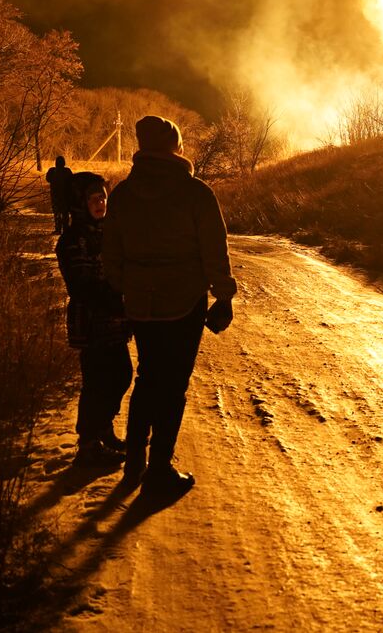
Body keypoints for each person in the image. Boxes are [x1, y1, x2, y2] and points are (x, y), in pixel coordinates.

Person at [104, 116, 237, 496]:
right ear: (174, 146)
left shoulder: (123, 194)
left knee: (147, 376)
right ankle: (159, 468)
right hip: (184, 302)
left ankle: (134, 461)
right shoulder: (195, 193)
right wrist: (223, 295)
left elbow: (110, 253)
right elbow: (214, 252)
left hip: (141, 304)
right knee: (173, 384)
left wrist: (125, 288)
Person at [56, 171, 131, 469]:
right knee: (97, 382)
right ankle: (88, 443)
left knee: (122, 374)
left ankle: (103, 429)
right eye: (93, 198)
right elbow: (79, 284)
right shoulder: (73, 240)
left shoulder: (108, 232)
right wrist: (111, 297)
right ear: (80, 203)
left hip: (115, 320)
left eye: (103, 196)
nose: (100, 203)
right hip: (91, 321)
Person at [45, 155, 74, 235]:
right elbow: (72, 181)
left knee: (57, 213)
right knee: (65, 213)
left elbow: (47, 179)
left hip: (55, 196)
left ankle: (58, 229)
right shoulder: (67, 171)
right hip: (66, 196)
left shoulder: (52, 171)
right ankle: (66, 229)